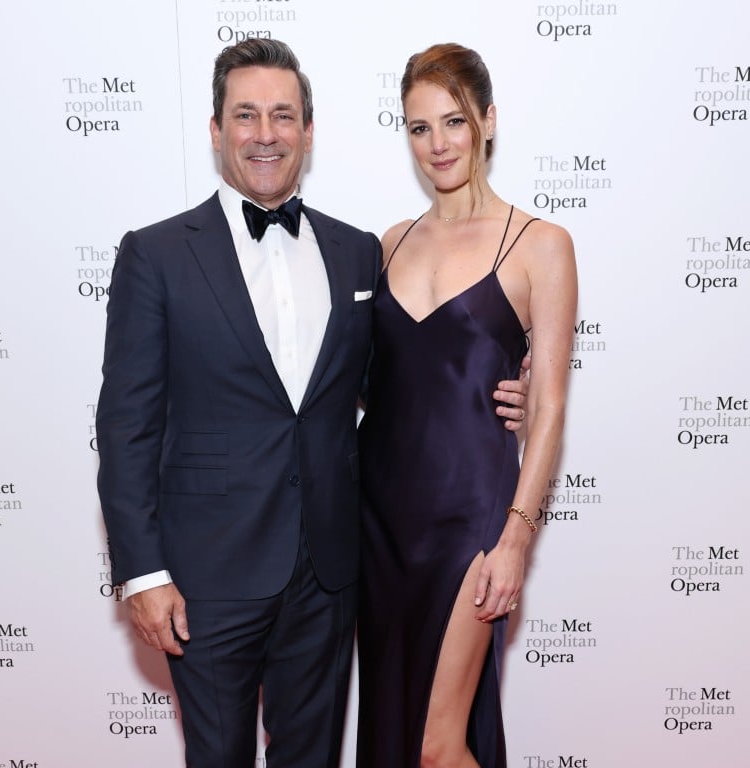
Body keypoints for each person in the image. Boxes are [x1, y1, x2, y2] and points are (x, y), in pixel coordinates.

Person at [96, 39, 529, 768]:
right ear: (215, 130)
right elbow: (125, 427)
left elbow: (391, 380)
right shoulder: (157, 255)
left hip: (328, 578)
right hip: (207, 581)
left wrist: (499, 390)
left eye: (283, 115)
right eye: (246, 115)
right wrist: (143, 573)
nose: (265, 133)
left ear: (308, 130)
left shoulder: (357, 252)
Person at [357, 43, 578, 768]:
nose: (437, 144)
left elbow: (547, 408)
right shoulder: (389, 244)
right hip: (379, 521)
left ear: (487, 120)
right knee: (394, 738)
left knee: (435, 745)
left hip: (471, 519)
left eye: (452, 122)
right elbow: (375, 382)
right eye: (419, 128)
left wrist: (515, 540)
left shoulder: (540, 244)